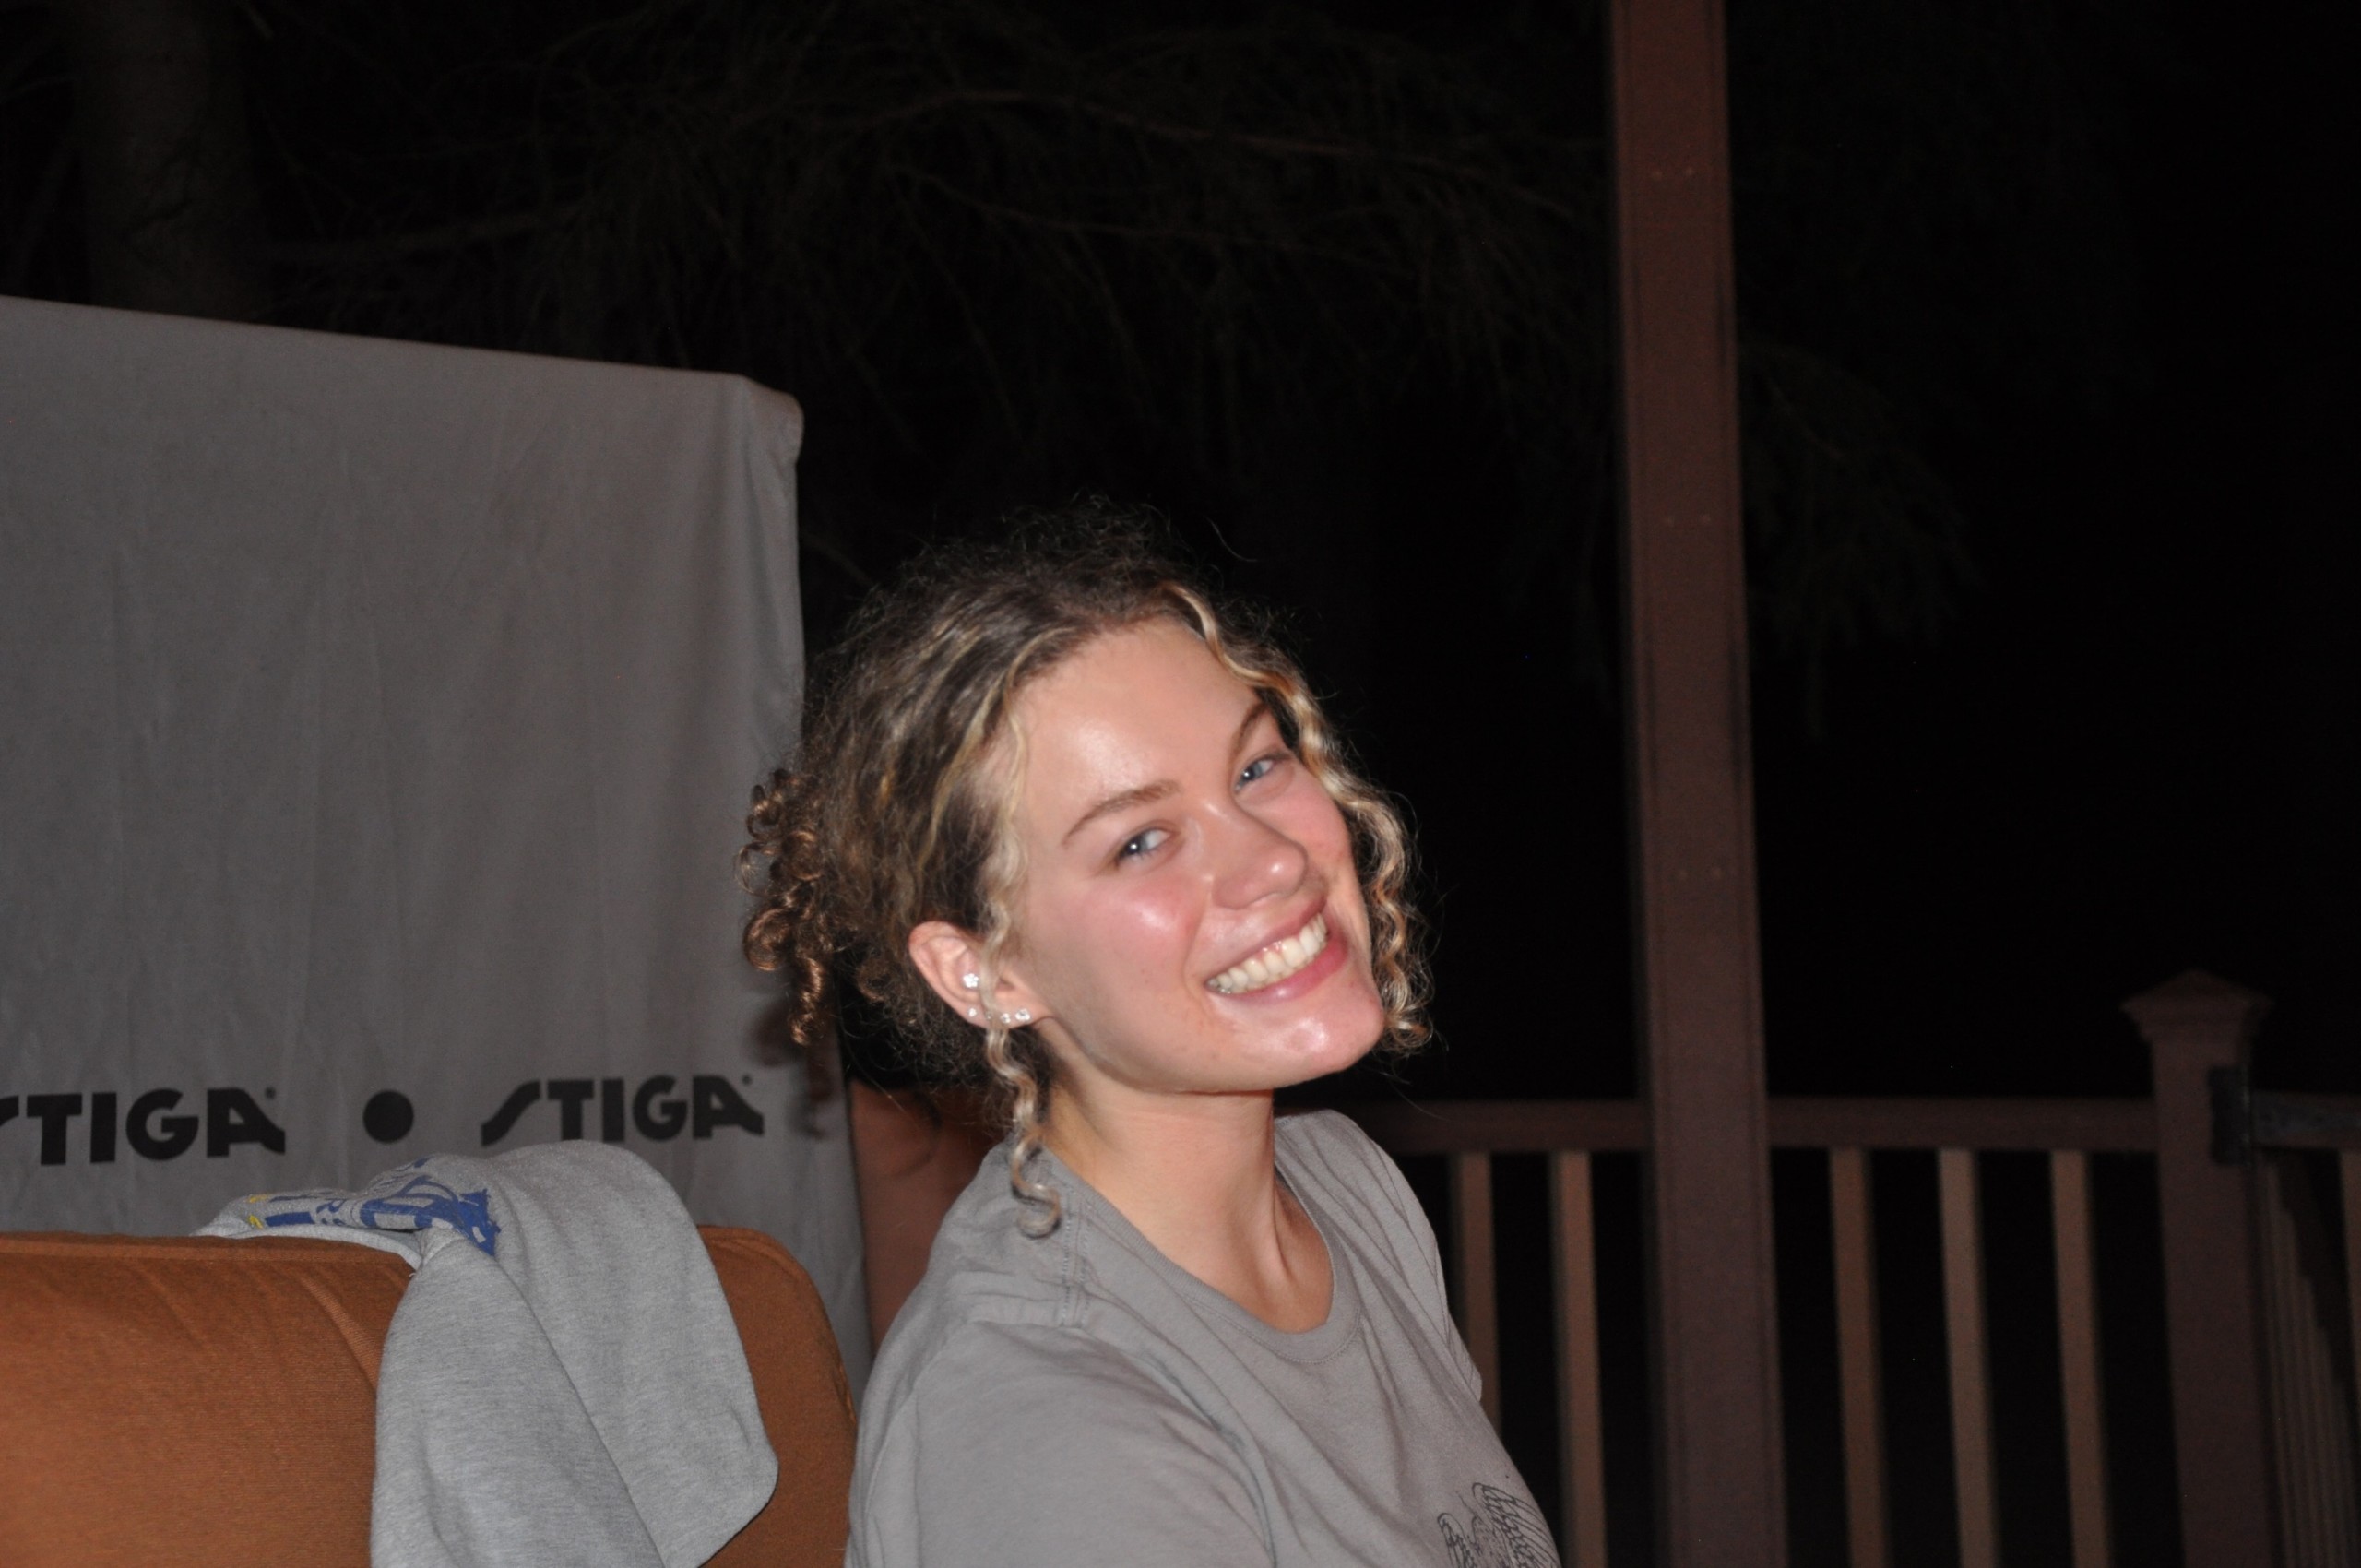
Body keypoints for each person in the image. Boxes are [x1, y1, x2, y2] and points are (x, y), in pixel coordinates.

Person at [742, 505, 1557, 1568]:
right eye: (1140, 840)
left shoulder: (1347, 1188)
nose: (1274, 859)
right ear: (986, 970)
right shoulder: (1049, 1415)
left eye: (1256, 767)